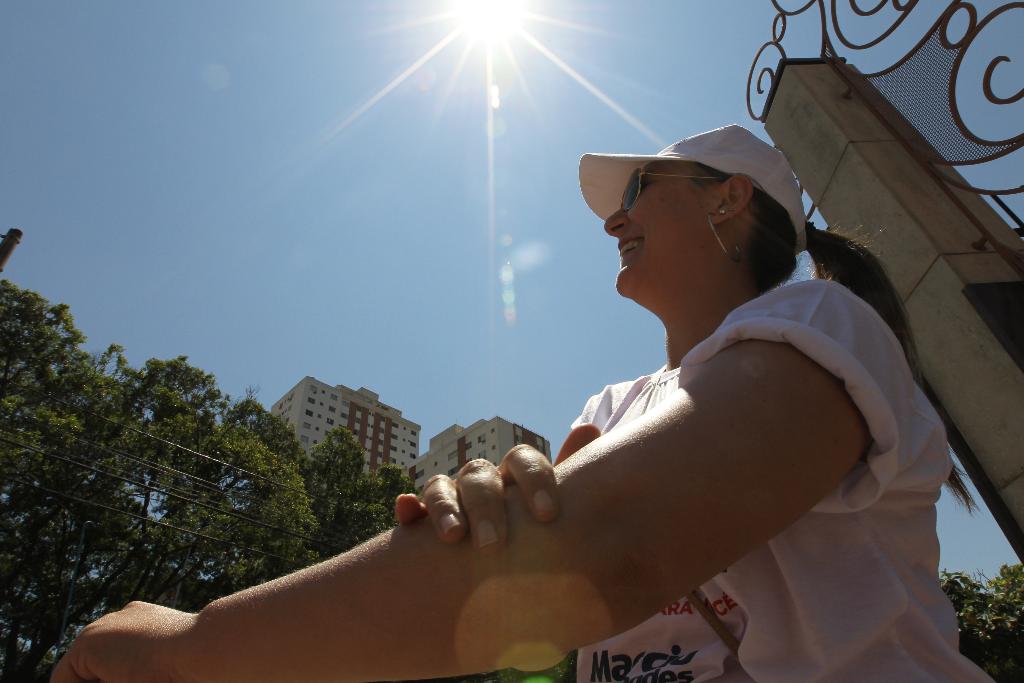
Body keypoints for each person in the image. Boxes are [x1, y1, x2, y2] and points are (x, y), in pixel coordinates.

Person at [52, 125, 992, 683]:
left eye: (634, 190)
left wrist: (191, 645)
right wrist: (479, 520)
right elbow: (542, 613)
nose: (614, 219)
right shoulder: (615, 401)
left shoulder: (821, 323)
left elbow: (609, 548)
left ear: (729, 200)